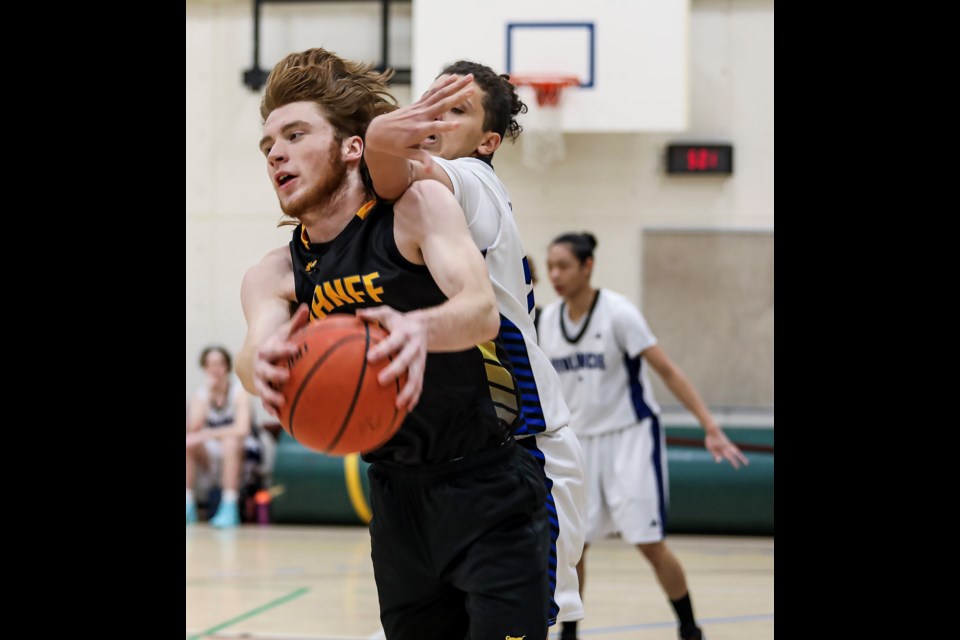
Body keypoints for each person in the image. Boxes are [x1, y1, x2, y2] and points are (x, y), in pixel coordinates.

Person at [235, 48, 551, 640]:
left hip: (488, 480)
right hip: (395, 499)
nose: (275, 151)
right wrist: (264, 363)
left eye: (295, 133)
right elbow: (253, 359)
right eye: (267, 143)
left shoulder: (416, 208)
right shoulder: (275, 273)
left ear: (352, 147)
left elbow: (479, 311)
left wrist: (417, 327)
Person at [364, 61, 587, 632]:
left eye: (455, 110)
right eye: (430, 104)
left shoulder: (472, 179)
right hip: (479, 448)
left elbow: (394, 172)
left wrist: (373, 139)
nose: (435, 118)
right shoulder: (428, 205)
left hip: (531, 443)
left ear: (488, 141)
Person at [537, 232, 750, 640]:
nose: (555, 274)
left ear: (588, 266)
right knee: (573, 545)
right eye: (550, 266)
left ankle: (690, 628)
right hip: (579, 441)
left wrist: (711, 426)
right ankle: (569, 631)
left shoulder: (618, 313)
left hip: (629, 438)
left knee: (649, 542)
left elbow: (667, 369)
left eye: (563, 265)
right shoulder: (547, 321)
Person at [186, 345, 261, 528]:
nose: (215, 368)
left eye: (219, 363)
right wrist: (207, 397)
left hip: (243, 449)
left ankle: (230, 506)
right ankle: (188, 505)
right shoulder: (202, 394)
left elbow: (242, 429)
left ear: (227, 367)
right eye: (210, 364)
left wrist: (208, 433)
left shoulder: (238, 391)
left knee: (229, 441)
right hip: (214, 450)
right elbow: (193, 429)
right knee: (188, 443)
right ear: (204, 367)